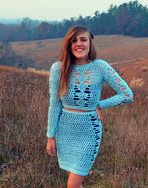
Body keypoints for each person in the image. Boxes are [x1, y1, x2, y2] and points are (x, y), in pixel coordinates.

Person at [46, 25, 134, 188]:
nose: (78, 44)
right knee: (75, 181)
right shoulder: (58, 69)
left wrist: (100, 104)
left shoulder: (100, 67)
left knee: (72, 185)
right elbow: (54, 104)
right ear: (68, 44)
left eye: (83, 39)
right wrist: (50, 136)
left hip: (89, 132)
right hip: (65, 131)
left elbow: (127, 95)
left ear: (90, 43)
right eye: (74, 40)